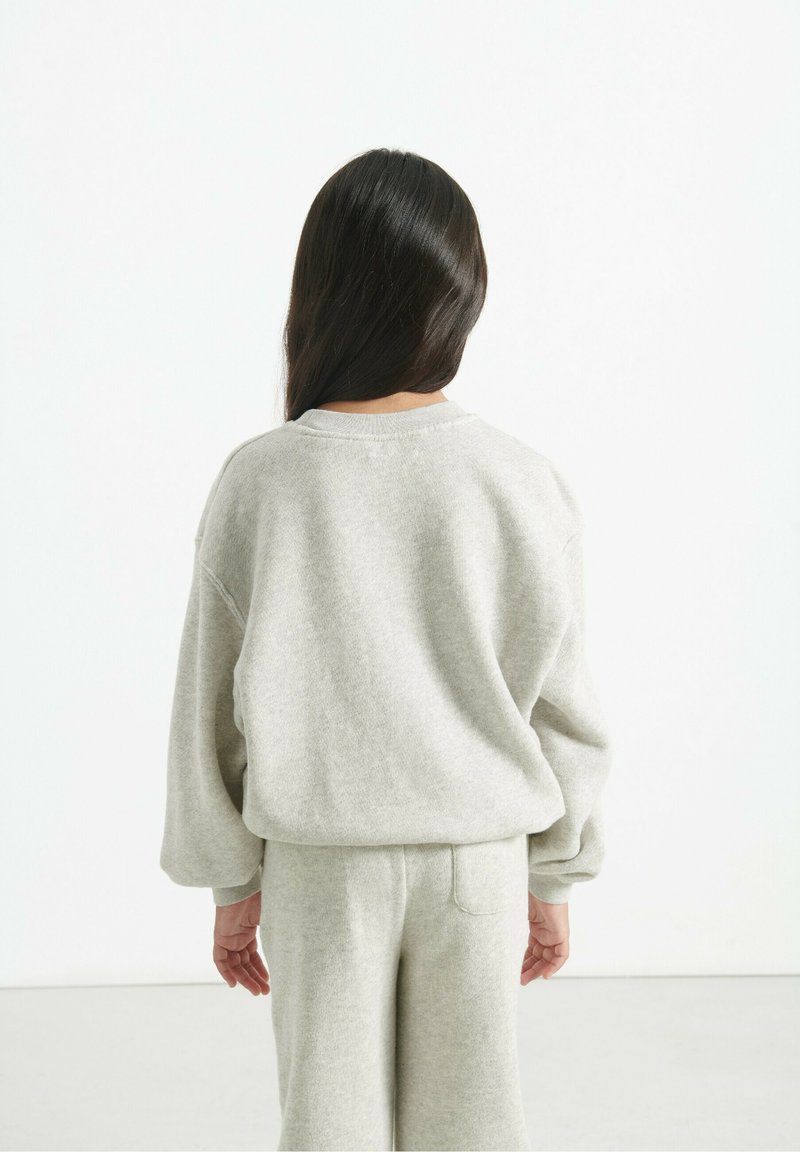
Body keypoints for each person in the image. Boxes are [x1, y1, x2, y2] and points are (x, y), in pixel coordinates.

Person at [159, 147, 613, 1152]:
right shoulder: (517, 478)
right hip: (476, 864)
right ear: (462, 296)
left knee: (327, 1128)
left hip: (321, 869)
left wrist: (231, 883)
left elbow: (208, 705)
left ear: (318, 292)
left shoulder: (262, 480)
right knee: (473, 1128)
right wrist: (553, 877)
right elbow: (563, 705)